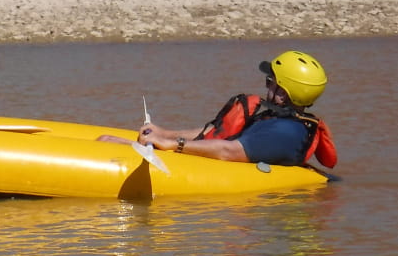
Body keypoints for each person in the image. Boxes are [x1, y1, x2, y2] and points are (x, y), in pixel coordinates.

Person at [101, 50, 338, 168]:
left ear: (284, 92)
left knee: (107, 142)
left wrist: (175, 145)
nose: (267, 85)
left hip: (226, 169)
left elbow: (228, 151)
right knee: (106, 139)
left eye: (271, 81)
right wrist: (165, 134)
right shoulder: (270, 116)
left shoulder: (286, 132)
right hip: (217, 160)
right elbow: (216, 133)